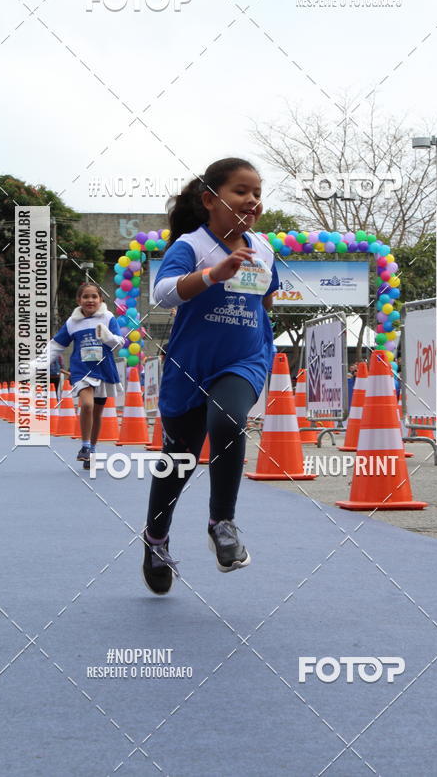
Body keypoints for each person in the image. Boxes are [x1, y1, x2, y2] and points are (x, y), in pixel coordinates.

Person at [142, 157, 279, 595]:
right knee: (177, 465)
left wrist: (252, 316)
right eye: (241, 191)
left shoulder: (264, 249)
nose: (252, 200)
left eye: (257, 193)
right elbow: (163, 294)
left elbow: (267, 300)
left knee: (228, 419)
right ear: (210, 200)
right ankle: (156, 540)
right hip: (190, 366)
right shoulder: (191, 245)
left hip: (245, 358)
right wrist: (214, 275)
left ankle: (222, 522)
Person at [37, 283, 124, 469]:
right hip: (81, 369)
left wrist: (107, 336)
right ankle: (84, 446)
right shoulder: (72, 322)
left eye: (94, 296)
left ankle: (92, 449)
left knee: (97, 413)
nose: (90, 300)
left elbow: (119, 344)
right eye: (86, 297)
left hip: (103, 369)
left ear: (101, 299)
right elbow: (56, 345)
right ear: (79, 300)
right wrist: (40, 363)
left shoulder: (108, 317)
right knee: (86, 404)